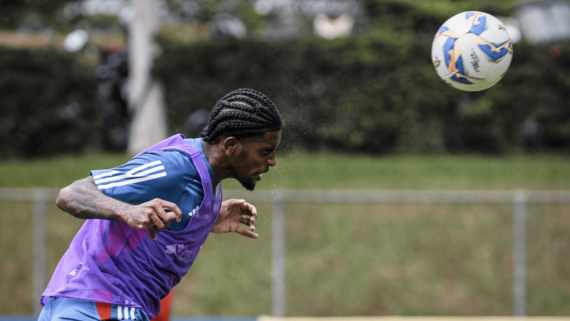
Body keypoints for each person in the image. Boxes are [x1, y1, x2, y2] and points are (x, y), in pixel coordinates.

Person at [39, 88, 284, 321]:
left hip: (98, 304)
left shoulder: (207, 180)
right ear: (231, 146)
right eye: (265, 151)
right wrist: (128, 210)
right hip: (101, 304)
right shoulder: (175, 167)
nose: (272, 161)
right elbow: (71, 194)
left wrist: (207, 218)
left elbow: (165, 216)